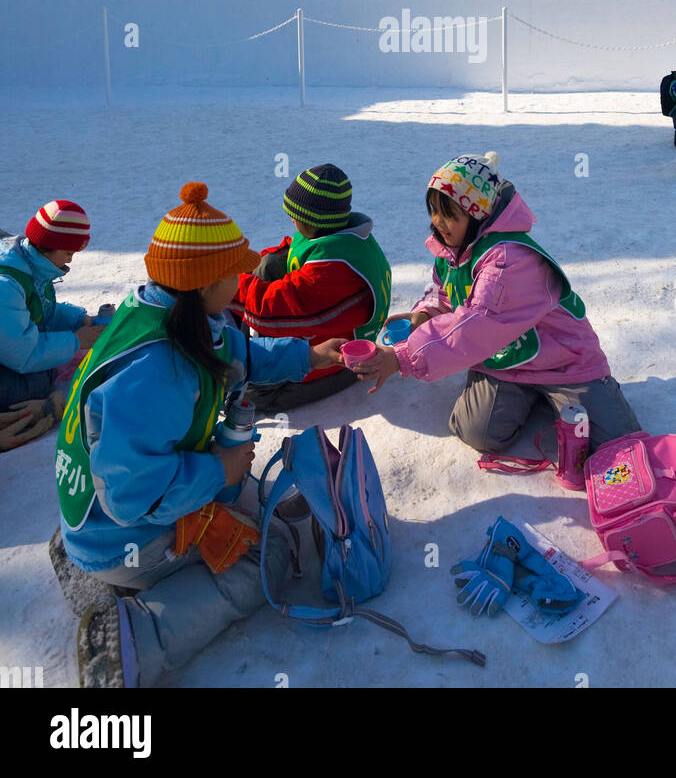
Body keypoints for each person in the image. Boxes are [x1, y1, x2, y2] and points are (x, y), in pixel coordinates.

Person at [49, 183, 345, 688]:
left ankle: (89, 565)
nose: (243, 277)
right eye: (234, 271)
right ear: (206, 283)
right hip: (123, 529)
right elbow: (131, 493)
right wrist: (219, 470)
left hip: (98, 515)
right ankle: (137, 638)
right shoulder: (157, 371)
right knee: (265, 557)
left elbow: (239, 355)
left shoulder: (166, 315)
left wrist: (310, 356)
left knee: (229, 496)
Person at [354, 151, 641, 457]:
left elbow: (477, 324)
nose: (439, 223)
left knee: (619, 444)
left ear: (477, 214)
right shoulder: (453, 250)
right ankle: (528, 397)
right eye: (434, 211)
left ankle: (583, 394)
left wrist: (402, 357)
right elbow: (445, 294)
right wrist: (424, 314)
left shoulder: (509, 261)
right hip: (504, 362)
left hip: (563, 362)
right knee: (476, 431)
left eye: (451, 214)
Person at [236, 164, 391, 411]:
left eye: (294, 215)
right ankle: (248, 343)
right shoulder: (332, 233)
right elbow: (292, 251)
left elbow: (274, 307)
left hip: (338, 356)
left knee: (254, 394)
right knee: (269, 263)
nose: (291, 219)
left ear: (311, 222)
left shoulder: (335, 270)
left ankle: (256, 364)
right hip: (321, 319)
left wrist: (228, 284)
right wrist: (244, 268)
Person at [0, 201, 109, 447]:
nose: (69, 261)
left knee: (53, 363)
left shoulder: (28, 263)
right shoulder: (5, 285)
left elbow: (39, 310)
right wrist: (76, 340)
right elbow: (23, 354)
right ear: (49, 247)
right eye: (68, 253)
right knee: (35, 384)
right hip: (11, 357)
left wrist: (76, 319)